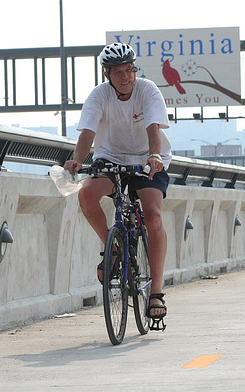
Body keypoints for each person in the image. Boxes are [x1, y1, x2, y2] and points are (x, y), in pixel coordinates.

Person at [64, 42, 172, 330]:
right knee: (87, 194)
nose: (125, 76)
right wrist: (77, 160)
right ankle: (111, 249)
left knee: (153, 217)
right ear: (106, 74)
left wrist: (154, 156)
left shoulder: (147, 90)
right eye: (118, 72)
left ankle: (156, 293)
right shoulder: (98, 96)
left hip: (148, 161)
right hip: (110, 159)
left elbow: (153, 126)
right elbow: (88, 130)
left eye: (129, 70)